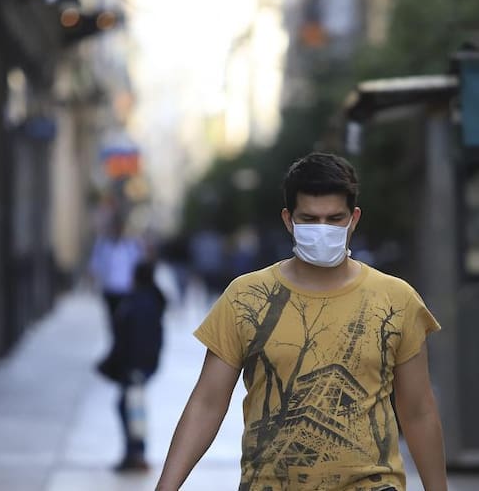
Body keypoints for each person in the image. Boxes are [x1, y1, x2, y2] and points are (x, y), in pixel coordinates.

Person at [156, 152, 447, 491]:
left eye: (334, 218)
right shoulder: (246, 297)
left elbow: (418, 411)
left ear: (353, 219)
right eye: (309, 219)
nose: (322, 230)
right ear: (288, 220)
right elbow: (207, 403)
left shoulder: (397, 300)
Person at [97, 260, 167, 472]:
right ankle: (134, 453)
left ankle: (135, 454)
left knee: (130, 407)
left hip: (136, 364)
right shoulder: (150, 300)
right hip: (139, 363)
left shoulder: (140, 303)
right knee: (130, 405)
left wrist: (134, 366)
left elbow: (136, 337)